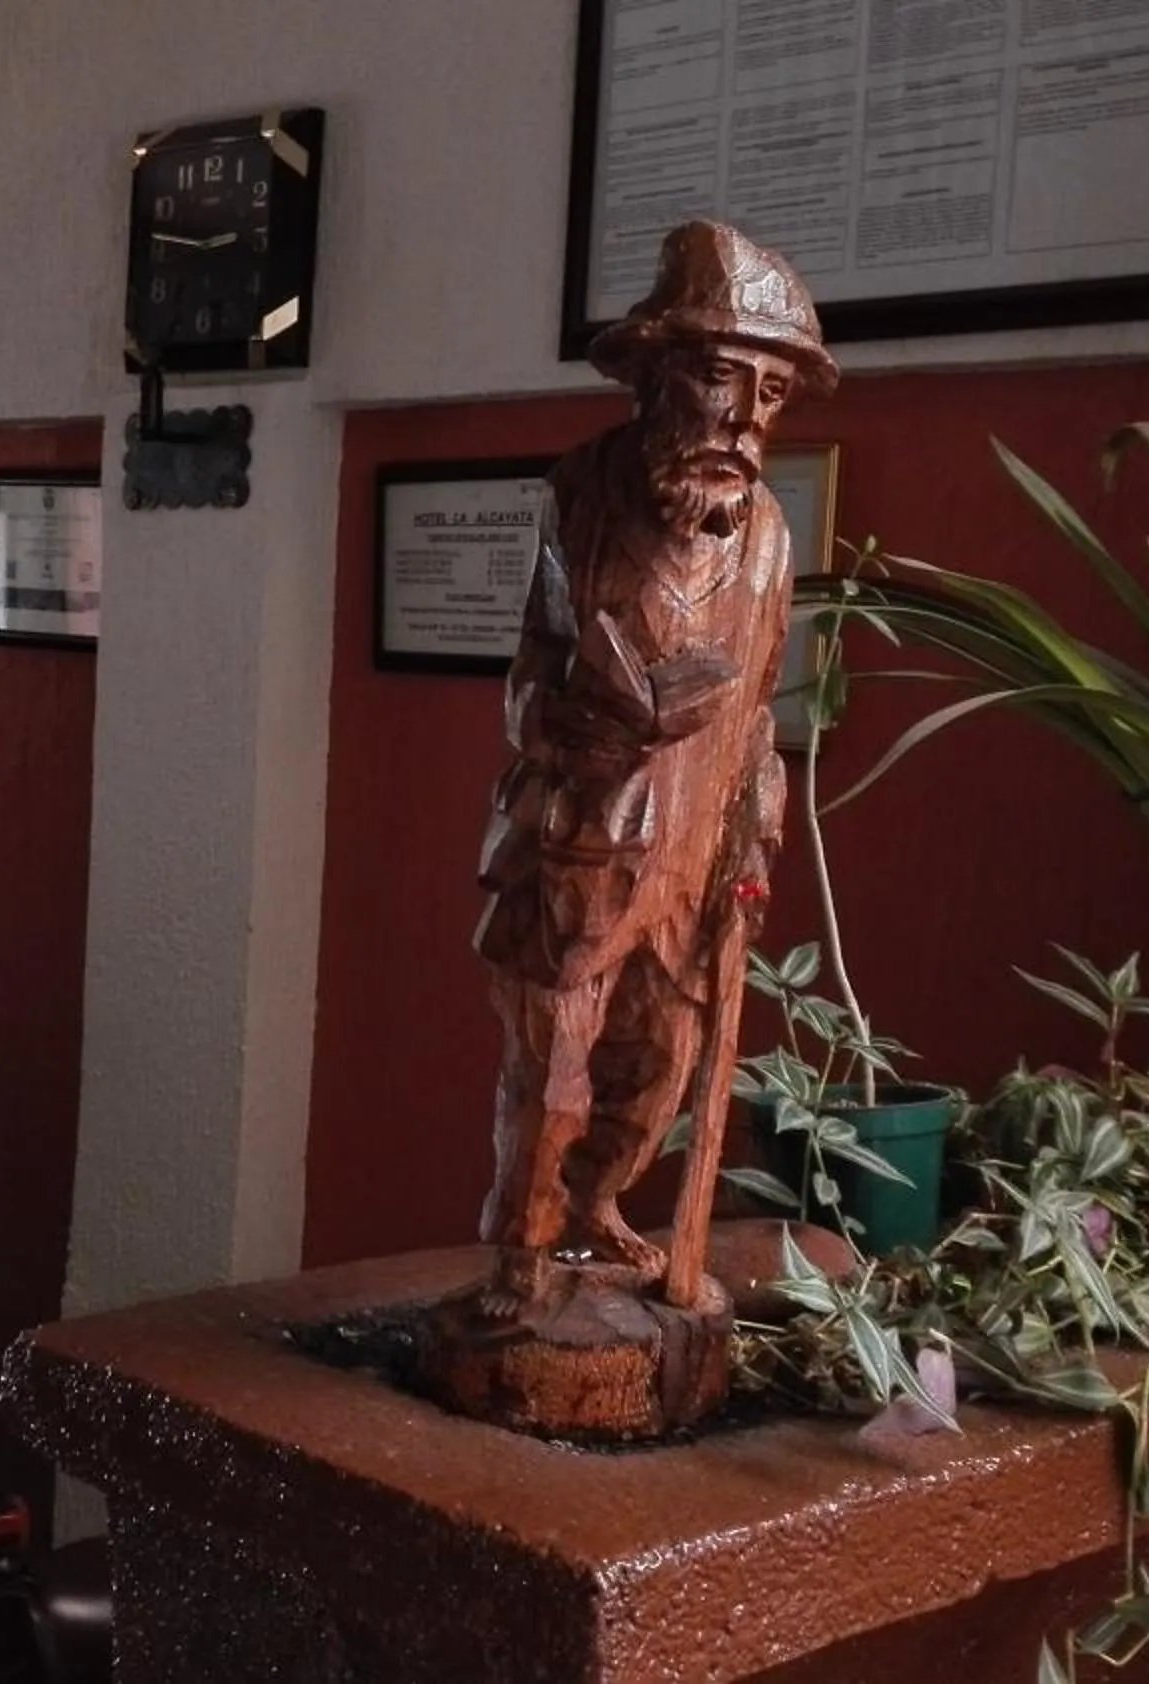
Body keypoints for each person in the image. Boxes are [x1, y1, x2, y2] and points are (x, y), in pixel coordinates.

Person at [471, 220, 835, 1311]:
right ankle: (525, 1250)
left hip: (698, 851)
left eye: (771, 393)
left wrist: (757, 821)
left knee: (659, 1069)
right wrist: (581, 722)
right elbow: (529, 678)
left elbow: (759, 705)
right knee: (555, 1074)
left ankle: (595, 1208)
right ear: (656, 377)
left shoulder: (769, 533)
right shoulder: (583, 495)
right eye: (720, 379)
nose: (744, 417)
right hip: (585, 839)